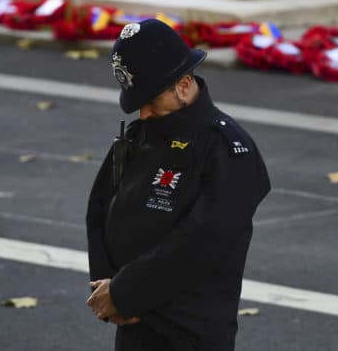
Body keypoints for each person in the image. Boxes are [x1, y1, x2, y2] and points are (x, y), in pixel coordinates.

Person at [86, 19, 271, 351]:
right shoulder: (141, 134)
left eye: (151, 100)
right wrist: (107, 291)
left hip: (188, 334)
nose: (143, 114)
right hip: (133, 323)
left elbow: (201, 243)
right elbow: (101, 206)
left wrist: (125, 293)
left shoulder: (227, 149)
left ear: (184, 85)